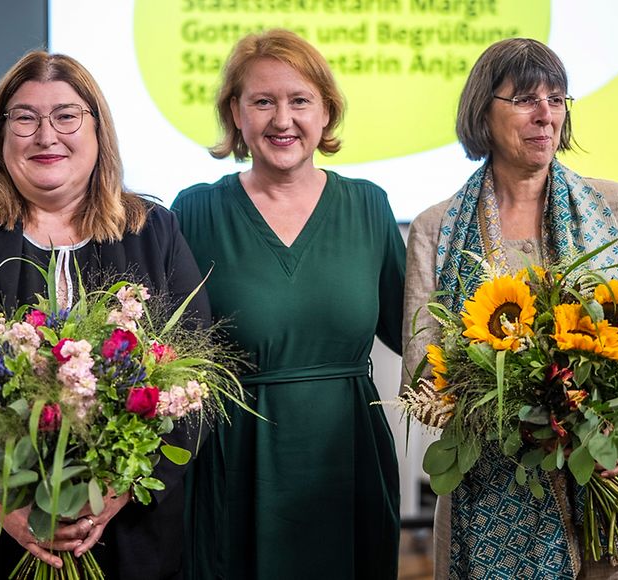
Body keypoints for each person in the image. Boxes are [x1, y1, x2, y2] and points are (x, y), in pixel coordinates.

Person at [0, 51, 210, 579]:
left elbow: (194, 386)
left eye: (66, 115)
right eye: (25, 118)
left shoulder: (154, 231)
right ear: (0, 136)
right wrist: (1, 506)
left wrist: (110, 499)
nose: (45, 135)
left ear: (98, 130)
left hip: (117, 540)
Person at [402, 38, 618, 579]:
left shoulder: (613, 205)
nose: (546, 115)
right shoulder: (437, 227)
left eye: (557, 98)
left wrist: (609, 437)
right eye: (526, 99)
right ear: (483, 111)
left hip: (610, 482)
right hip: (492, 495)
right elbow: (421, 370)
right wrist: (519, 417)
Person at [171, 28, 405, 580]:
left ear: (326, 112)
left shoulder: (369, 207)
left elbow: (420, 334)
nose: (283, 120)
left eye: (300, 100)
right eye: (263, 101)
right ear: (236, 113)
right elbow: (162, 359)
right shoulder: (193, 214)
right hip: (233, 469)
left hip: (348, 463)